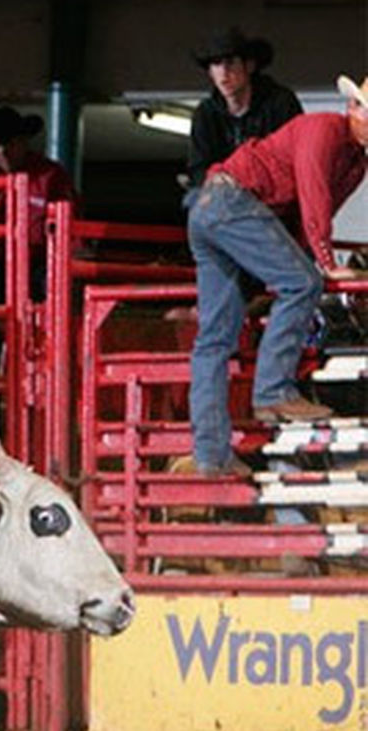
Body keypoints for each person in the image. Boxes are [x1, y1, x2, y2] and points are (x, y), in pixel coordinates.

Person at [183, 74, 368, 477]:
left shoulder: (354, 158)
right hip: (234, 203)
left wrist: (311, 253)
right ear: (353, 109)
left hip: (213, 205)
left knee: (214, 339)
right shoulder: (324, 130)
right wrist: (323, 260)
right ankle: (273, 391)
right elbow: (314, 195)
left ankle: (211, 455)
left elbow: (313, 210)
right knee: (302, 283)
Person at [0, 106, 78, 303]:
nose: (2, 151)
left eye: (9, 143)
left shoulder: (50, 176)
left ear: (23, 142)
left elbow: (71, 226)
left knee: (53, 291)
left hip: (41, 266)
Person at [187, 27, 302, 187]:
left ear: (249, 66)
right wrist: (213, 179)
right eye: (216, 64)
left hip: (276, 197)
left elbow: (296, 156)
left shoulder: (280, 103)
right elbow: (197, 168)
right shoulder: (205, 114)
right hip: (226, 201)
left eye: (230, 62)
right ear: (210, 73)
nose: (224, 72)